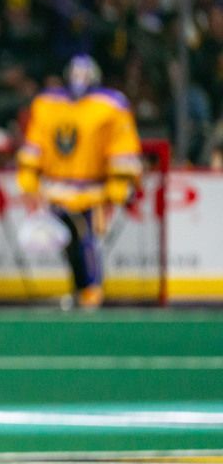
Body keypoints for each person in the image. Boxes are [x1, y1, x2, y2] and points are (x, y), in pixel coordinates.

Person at [16, 54, 142, 308]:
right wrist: (29, 180)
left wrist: (119, 186)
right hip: (56, 189)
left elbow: (122, 148)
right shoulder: (48, 104)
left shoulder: (110, 106)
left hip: (93, 190)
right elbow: (35, 146)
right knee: (69, 243)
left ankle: (91, 289)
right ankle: (80, 288)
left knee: (87, 240)